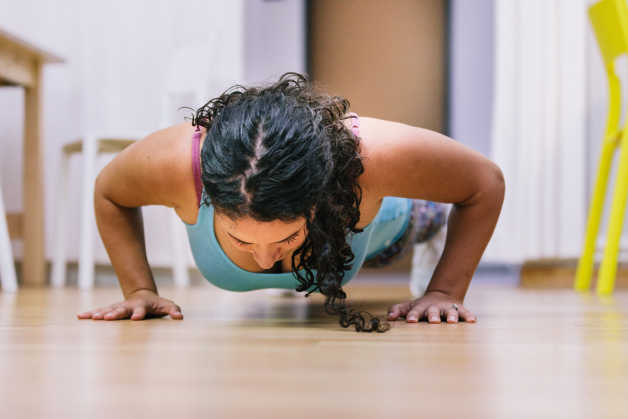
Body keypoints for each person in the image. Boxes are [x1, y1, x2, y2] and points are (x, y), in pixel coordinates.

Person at [77, 72, 505, 332]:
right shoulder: (175, 165)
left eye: (286, 238)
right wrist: (138, 290)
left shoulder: (373, 156)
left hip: (388, 231)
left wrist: (445, 290)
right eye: (241, 241)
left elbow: (484, 183)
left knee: (415, 218)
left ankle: (420, 223)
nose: (264, 260)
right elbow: (109, 192)